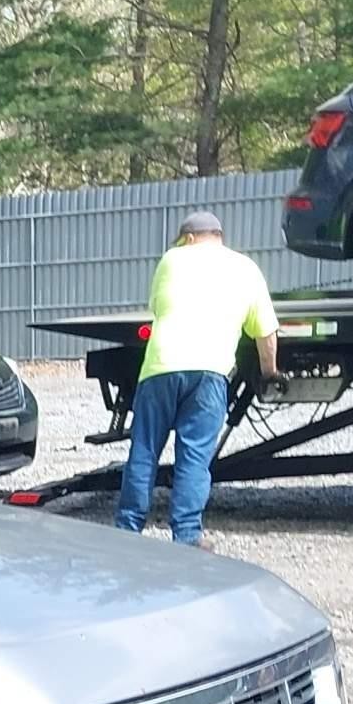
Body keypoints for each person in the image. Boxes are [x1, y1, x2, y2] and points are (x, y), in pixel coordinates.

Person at [114, 209, 279, 547]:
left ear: (189, 238)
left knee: (144, 451)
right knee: (194, 458)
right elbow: (266, 333)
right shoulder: (245, 268)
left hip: (160, 370)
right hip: (209, 375)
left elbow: (159, 308)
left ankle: (127, 532)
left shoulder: (171, 260)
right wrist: (269, 373)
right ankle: (187, 537)